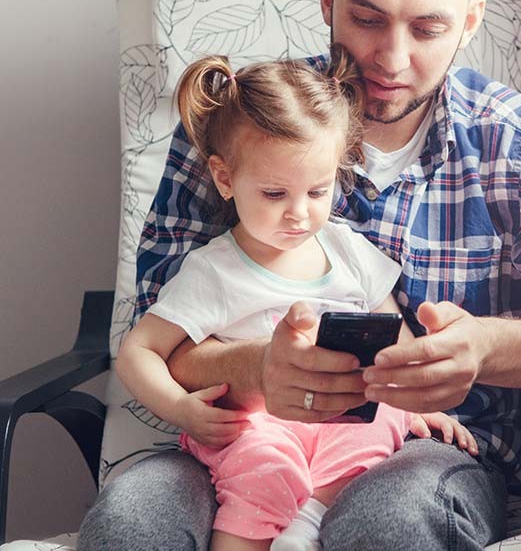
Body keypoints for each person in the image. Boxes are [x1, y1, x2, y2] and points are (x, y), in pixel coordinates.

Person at [79, 0, 521, 551]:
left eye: (427, 29)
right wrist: (256, 369)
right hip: (233, 444)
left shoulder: (520, 147)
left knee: (386, 526)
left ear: (470, 23)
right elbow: (157, 342)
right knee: (132, 523)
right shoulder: (244, 124)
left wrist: (482, 347)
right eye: (367, 18)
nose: (392, 59)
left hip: (416, 450)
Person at [114, 46, 478, 551]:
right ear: (225, 179)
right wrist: (181, 408)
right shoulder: (214, 270)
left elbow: (391, 335)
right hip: (258, 423)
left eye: (317, 191)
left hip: (343, 415)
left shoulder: (346, 249)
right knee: (265, 468)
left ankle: (308, 521)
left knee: (376, 432)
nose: (299, 214)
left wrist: (413, 403)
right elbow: (139, 350)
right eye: (274, 194)